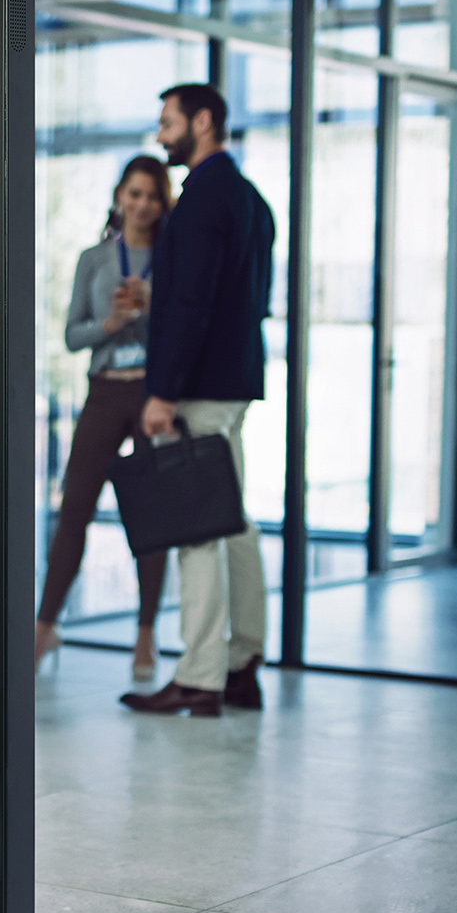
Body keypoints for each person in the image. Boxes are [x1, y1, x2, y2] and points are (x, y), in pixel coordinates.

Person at [121, 83, 275, 718]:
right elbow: (240, 299)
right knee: (233, 520)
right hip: (235, 380)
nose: (160, 136)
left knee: (197, 528)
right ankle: (242, 663)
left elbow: (193, 304)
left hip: (201, 390)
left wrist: (162, 391)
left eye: (168, 123)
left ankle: (201, 675)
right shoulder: (251, 200)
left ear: (203, 122)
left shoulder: (201, 202)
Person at [34, 156, 173, 680]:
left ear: (163, 204)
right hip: (103, 394)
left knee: (151, 518)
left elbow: (182, 330)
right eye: (133, 194)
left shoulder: (171, 256)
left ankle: (145, 632)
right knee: (74, 512)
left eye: (152, 196)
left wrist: (152, 305)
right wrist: (111, 322)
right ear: (119, 196)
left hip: (151, 397)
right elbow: (72, 336)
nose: (141, 205)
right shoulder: (94, 258)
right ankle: (45, 627)